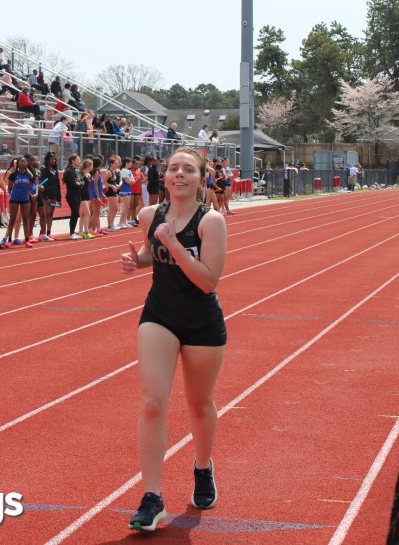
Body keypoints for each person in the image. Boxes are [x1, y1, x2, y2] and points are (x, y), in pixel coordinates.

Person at [119, 147, 228, 531]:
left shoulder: (211, 221)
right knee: (152, 403)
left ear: (201, 179)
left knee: (199, 404)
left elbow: (207, 280)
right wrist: (138, 261)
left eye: (188, 170)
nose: (179, 174)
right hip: (159, 316)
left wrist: (174, 243)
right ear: (164, 178)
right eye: (173, 169)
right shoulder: (150, 215)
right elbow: (153, 251)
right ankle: (152, 497)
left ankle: (203, 467)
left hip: (201, 322)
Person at [3, 156, 35, 247]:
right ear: (18, 164)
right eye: (21, 162)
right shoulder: (13, 175)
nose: (22, 163)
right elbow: (9, 187)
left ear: (26, 164)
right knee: (12, 219)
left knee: (25, 219)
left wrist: (31, 194)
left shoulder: (28, 175)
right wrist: (11, 195)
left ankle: (27, 239)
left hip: (25, 199)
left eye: (24, 162)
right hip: (15, 199)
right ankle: (9, 239)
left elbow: (30, 185)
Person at [37, 151, 61, 241]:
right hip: (46, 196)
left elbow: (57, 184)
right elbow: (43, 183)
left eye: (54, 159)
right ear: (47, 160)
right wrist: (46, 197)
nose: (53, 160)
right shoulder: (43, 169)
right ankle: (42, 232)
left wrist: (59, 198)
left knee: (51, 214)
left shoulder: (55, 170)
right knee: (45, 214)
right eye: (51, 159)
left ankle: (48, 232)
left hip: (53, 195)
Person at [64, 154, 83, 240]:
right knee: (75, 213)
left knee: (75, 214)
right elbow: (73, 184)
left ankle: (73, 232)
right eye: (78, 159)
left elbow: (81, 181)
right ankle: (72, 233)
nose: (79, 161)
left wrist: (80, 184)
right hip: (72, 195)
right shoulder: (69, 171)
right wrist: (80, 184)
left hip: (77, 194)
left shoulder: (76, 170)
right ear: (73, 161)